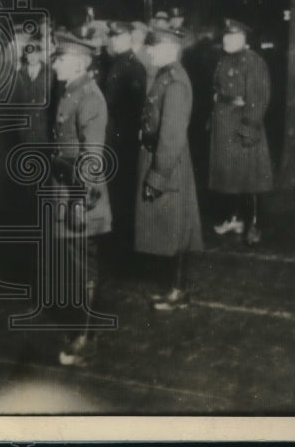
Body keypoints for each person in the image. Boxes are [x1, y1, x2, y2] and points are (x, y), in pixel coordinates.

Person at [48, 31, 112, 366]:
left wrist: (78, 199)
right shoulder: (70, 90)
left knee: (83, 265)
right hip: (66, 187)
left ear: (80, 63)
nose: (55, 62)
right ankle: (80, 326)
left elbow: (92, 155)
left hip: (81, 193)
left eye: (60, 58)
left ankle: (86, 336)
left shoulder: (89, 96)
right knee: (73, 264)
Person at [134, 26, 203, 312]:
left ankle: (178, 291)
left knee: (175, 226)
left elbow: (172, 135)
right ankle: (175, 287)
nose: (148, 51)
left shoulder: (174, 81)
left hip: (168, 161)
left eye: (154, 46)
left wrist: (158, 174)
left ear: (170, 49)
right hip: (158, 155)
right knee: (170, 226)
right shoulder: (164, 75)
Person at [209, 19, 273, 244]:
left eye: (233, 36)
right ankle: (235, 218)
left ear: (244, 39)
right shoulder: (224, 60)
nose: (227, 40)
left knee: (251, 177)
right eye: (226, 36)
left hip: (242, 126)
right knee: (230, 177)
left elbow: (258, 97)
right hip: (225, 127)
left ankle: (254, 223)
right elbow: (218, 90)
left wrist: (249, 127)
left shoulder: (253, 61)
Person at [101, 21, 147, 269]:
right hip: (116, 139)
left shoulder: (131, 67)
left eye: (119, 37)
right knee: (117, 196)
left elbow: (131, 108)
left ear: (130, 38)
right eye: (113, 38)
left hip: (124, 141)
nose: (115, 41)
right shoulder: (116, 65)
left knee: (123, 198)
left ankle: (125, 254)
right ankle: (119, 250)